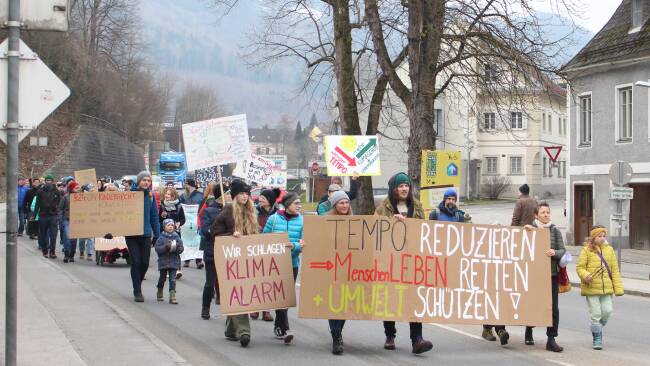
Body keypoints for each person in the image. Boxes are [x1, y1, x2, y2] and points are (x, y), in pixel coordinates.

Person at [374, 172, 433, 354]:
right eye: (400, 186)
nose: (404, 188)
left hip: (413, 262)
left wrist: (410, 223)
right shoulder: (383, 208)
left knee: (414, 300)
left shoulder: (417, 206)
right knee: (391, 299)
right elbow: (375, 229)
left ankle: (417, 339)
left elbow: (425, 229)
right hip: (390, 262)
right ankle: (390, 335)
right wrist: (393, 222)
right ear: (394, 189)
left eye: (406, 185)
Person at [483, 183, 539, 344]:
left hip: (519, 238)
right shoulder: (534, 201)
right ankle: (520, 332)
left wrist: (512, 233)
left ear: (521, 192)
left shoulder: (520, 202)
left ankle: (497, 328)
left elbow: (515, 219)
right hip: (530, 240)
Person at [210, 179, 257, 347]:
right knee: (239, 292)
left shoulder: (251, 211)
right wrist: (231, 236)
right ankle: (244, 331)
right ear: (234, 195)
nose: (245, 196)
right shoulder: (227, 211)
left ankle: (230, 330)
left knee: (238, 292)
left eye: (247, 194)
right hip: (231, 259)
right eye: (241, 194)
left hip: (247, 258)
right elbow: (214, 234)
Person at [523, 202, 565, 352]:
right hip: (534, 275)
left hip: (551, 274)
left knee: (553, 308)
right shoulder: (530, 229)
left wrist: (555, 253)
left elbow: (563, 251)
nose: (546, 215)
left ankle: (551, 339)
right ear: (536, 215)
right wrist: (527, 231)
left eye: (548, 212)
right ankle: (529, 330)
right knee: (533, 304)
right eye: (543, 212)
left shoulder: (555, 231)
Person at [263, 191, 304, 344]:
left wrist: (295, 246)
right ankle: (284, 328)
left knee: (285, 296)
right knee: (279, 296)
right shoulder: (273, 219)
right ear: (287, 205)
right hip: (274, 264)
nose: (299, 206)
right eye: (296, 203)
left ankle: (279, 327)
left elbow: (305, 242)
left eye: (300, 203)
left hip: (292, 264)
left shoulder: (302, 221)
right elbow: (263, 239)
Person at [576, 226, 624, 350]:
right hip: (591, 288)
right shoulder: (586, 250)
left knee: (607, 311)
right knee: (596, 313)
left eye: (604, 236)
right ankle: (597, 337)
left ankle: (596, 327)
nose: (602, 238)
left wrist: (618, 289)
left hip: (606, 289)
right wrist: (586, 275)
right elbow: (580, 267)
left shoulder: (610, 250)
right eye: (599, 236)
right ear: (593, 237)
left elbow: (615, 271)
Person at [125, 171, 160, 302]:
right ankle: (137, 291)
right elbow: (118, 215)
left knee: (145, 263)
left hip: (145, 234)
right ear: (139, 181)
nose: (146, 182)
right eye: (144, 180)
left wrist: (157, 234)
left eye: (148, 180)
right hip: (131, 234)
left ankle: (137, 282)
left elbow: (154, 217)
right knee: (136, 262)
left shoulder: (151, 196)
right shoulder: (129, 195)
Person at [326, 190, 352, 355]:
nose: (344, 205)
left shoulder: (356, 222)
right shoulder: (326, 222)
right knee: (333, 303)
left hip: (350, 270)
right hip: (331, 269)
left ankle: (338, 331)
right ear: (335, 205)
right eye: (341, 203)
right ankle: (336, 337)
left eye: (346, 202)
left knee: (345, 304)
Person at [250, 188, 281, 322]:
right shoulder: (253, 211)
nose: (260, 199)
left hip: (272, 249)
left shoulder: (279, 213)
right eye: (260, 197)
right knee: (257, 279)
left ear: (270, 201)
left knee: (269, 281)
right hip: (256, 248)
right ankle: (255, 308)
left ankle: (266, 310)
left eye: (263, 197)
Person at [198, 182, 223, 320]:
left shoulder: (233, 210)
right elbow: (206, 231)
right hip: (212, 252)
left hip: (229, 252)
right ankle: (205, 307)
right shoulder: (209, 210)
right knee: (210, 282)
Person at [159, 188, 187, 279]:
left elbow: (183, 219)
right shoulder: (162, 205)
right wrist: (162, 216)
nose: (166, 196)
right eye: (166, 194)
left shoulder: (179, 206)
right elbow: (160, 220)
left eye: (168, 194)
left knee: (176, 250)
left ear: (173, 196)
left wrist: (179, 223)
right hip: (165, 233)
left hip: (176, 232)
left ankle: (178, 270)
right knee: (167, 250)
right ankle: (167, 270)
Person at [155, 219, 184, 304]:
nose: (170, 227)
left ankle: (172, 296)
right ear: (164, 227)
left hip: (174, 261)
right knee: (162, 279)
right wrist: (166, 247)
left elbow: (181, 249)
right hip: (163, 262)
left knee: (172, 279)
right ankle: (160, 291)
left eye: (172, 225)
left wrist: (178, 247)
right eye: (168, 225)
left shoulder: (177, 237)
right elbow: (157, 249)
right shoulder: (161, 237)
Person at [33, 174, 62, 258]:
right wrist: (34, 215)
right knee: (43, 235)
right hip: (43, 216)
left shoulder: (56, 191)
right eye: (47, 180)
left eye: (50, 180)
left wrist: (57, 212)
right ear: (45, 182)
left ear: (52, 182)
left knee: (53, 235)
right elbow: (37, 204)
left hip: (53, 216)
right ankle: (45, 250)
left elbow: (59, 203)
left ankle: (52, 252)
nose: (48, 182)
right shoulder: (40, 191)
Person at [180, 178, 204, 269]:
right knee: (186, 241)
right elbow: (180, 208)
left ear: (190, 185)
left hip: (197, 221)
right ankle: (187, 260)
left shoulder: (200, 196)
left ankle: (199, 261)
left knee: (197, 241)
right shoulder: (183, 196)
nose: (185, 186)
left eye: (186, 184)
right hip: (186, 223)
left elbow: (203, 208)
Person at [60, 181, 82, 263]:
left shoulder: (81, 197)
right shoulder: (65, 197)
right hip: (67, 219)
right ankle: (66, 254)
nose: (78, 189)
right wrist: (61, 220)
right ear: (72, 188)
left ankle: (72, 255)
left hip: (77, 220)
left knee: (74, 239)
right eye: (76, 188)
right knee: (67, 237)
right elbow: (60, 209)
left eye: (78, 187)